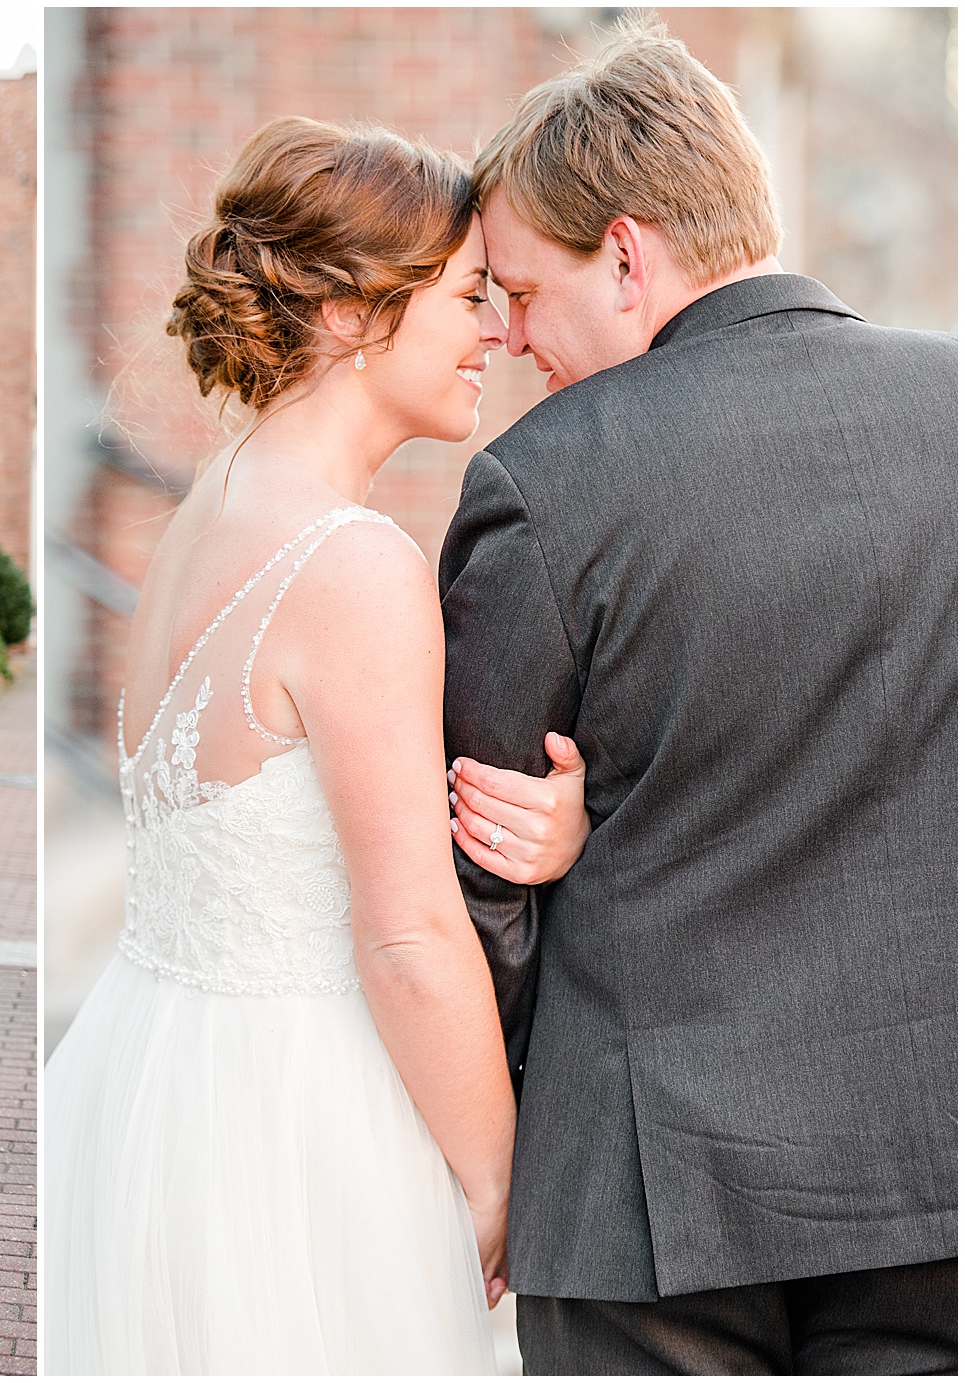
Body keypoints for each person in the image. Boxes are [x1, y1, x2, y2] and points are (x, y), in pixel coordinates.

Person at [439, 22, 957, 1374]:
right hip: (934, 1149)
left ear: (624, 251)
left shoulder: (544, 479)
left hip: (644, 1192)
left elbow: (479, 871)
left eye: (521, 291)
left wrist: (571, 847)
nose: (506, 341)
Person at [44, 116, 590, 1374]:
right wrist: (503, 1180)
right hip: (294, 1125)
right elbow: (402, 936)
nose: (496, 334)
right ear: (351, 315)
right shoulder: (350, 563)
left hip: (155, 1080)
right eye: (466, 298)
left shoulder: (203, 517)